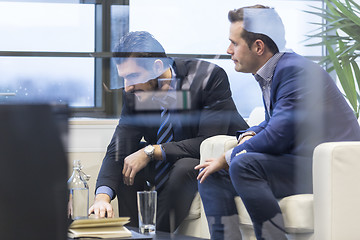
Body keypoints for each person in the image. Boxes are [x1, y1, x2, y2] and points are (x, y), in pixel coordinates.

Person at [195, 5, 360, 240]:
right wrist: (249, 134)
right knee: (209, 175)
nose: (228, 49)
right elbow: (275, 122)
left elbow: (276, 136)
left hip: (327, 168)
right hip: (299, 161)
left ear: (258, 46)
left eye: (235, 43)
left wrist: (226, 158)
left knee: (243, 164)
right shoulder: (277, 71)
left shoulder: (295, 72)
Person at [89, 31, 248, 232]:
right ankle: (132, 233)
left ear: (157, 67)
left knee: (183, 167)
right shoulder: (135, 93)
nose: (127, 87)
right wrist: (102, 197)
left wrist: (151, 151)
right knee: (128, 161)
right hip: (169, 160)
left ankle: (158, 235)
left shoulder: (207, 78)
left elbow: (207, 141)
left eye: (133, 76)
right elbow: (119, 147)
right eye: (123, 78)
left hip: (209, 159)